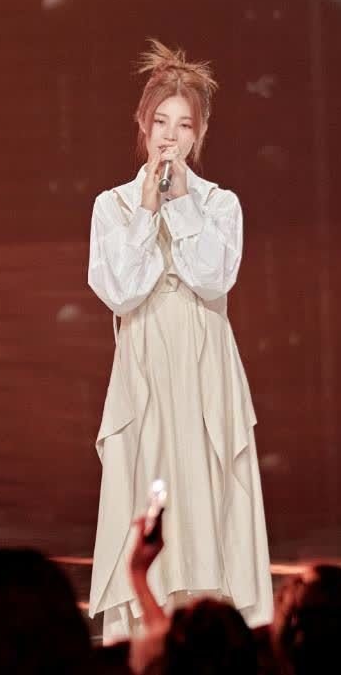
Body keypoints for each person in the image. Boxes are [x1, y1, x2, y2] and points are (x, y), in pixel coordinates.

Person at [87, 38, 272, 643]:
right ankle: (146, 630)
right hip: (144, 364)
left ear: (200, 133)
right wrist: (146, 210)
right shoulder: (112, 207)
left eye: (184, 125)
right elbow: (120, 292)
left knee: (209, 489)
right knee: (147, 486)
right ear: (143, 125)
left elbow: (214, 277)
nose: (170, 136)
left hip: (204, 362)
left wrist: (180, 204)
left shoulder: (220, 204)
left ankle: (217, 631)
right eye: (161, 122)